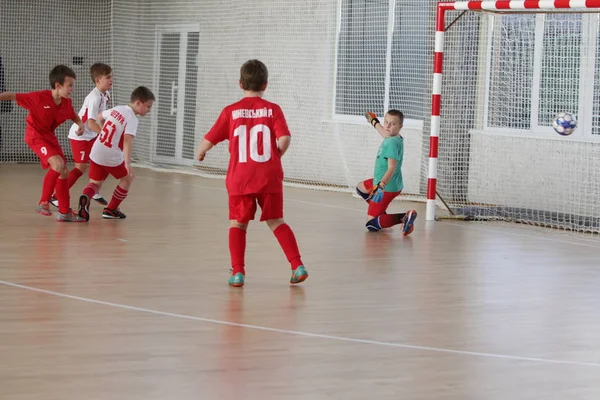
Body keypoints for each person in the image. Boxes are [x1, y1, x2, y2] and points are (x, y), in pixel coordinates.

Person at [195, 59, 308, 288]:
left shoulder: (230, 111)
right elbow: (285, 138)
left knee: (237, 224)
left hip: (240, 178)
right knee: (277, 222)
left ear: (240, 84)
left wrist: (200, 153)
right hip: (269, 176)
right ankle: (297, 266)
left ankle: (238, 272)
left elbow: (210, 138)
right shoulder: (273, 109)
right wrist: (276, 155)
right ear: (265, 85)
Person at [0, 64, 87, 222]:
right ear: (57, 85)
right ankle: (43, 202)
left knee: (64, 172)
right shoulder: (38, 98)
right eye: (70, 85)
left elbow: (73, 115)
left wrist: (80, 125)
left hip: (49, 137)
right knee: (58, 165)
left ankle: (64, 212)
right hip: (35, 135)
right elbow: (11, 95)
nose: (72, 89)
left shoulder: (66, 103)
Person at [77, 86, 155, 221]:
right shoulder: (132, 118)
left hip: (97, 150)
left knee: (96, 183)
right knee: (127, 178)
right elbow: (127, 140)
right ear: (138, 102)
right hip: (110, 154)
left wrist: (102, 132)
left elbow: (99, 117)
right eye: (147, 106)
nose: (149, 110)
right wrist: (127, 164)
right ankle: (111, 209)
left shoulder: (117, 109)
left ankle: (86, 196)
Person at [52, 62, 113, 208]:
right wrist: (105, 135)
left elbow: (100, 118)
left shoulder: (106, 94)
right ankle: (56, 196)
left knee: (107, 160)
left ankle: (95, 188)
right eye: (108, 77)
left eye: (112, 76)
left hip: (92, 135)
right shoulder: (94, 98)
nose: (111, 80)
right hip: (80, 136)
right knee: (80, 168)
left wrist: (105, 130)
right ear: (98, 81)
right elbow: (91, 123)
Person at [357, 110, 417, 235]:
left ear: (400, 126)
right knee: (361, 188)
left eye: (393, 124)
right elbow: (384, 133)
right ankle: (380, 212)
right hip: (386, 183)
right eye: (386, 122)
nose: (388, 126)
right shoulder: (394, 137)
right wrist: (374, 121)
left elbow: (392, 167)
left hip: (385, 187)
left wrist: (381, 185)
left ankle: (403, 217)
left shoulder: (391, 143)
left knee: (371, 224)